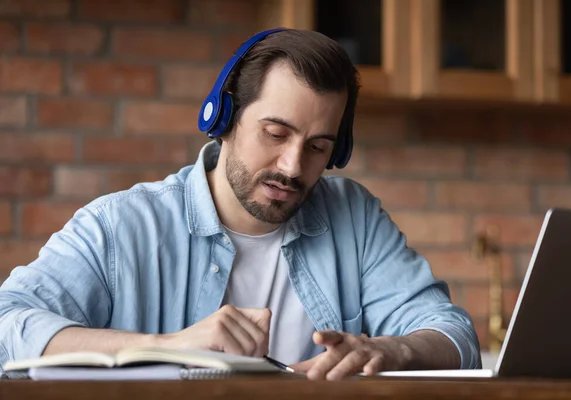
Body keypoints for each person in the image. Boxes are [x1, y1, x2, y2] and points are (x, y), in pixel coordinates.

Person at [0, 28, 481, 380]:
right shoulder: (120, 226)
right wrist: (166, 348)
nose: (293, 167)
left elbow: (455, 336)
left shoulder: (354, 217)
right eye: (275, 134)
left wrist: (390, 351)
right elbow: (7, 324)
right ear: (223, 117)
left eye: (318, 147)